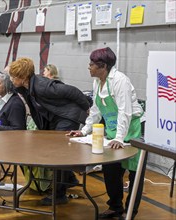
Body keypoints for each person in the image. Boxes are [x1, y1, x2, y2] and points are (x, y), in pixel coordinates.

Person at [68, 47, 145, 219]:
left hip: (132, 128)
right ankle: (115, 207)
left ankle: (131, 211)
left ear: (103, 66)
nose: (89, 67)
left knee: (134, 173)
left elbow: (125, 112)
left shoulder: (120, 81)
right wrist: (84, 130)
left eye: (92, 64)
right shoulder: (98, 82)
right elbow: (96, 110)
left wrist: (119, 137)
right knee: (110, 169)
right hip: (113, 129)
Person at [9, 57, 90, 206]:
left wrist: (87, 107)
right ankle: (69, 179)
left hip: (67, 116)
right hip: (56, 118)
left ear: (23, 77)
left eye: (13, 77)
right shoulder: (26, 87)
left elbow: (71, 91)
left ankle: (59, 195)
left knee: (58, 154)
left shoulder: (42, 86)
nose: (11, 79)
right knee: (57, 152)